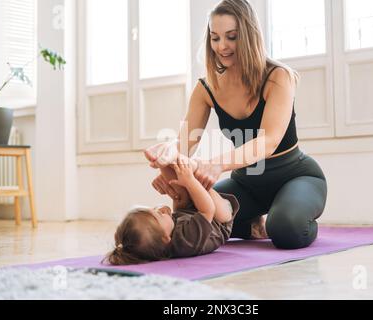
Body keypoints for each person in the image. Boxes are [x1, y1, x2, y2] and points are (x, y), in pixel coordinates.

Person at [146, 0, 327, 250]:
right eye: (215, 38)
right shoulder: (206, 88)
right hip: (247, 184)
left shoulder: (278, 77)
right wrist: (167, 156)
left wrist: (217, 163)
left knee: (286, 230)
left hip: (294, 176)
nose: (222, 47)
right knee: (190, 210)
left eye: (231, 37)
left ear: (249, 35)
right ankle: (252, 225)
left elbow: (268, 141)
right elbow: (185, 143)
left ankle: (291, 216)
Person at [103, 154, 240, 265]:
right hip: (218, 222)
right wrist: (191, 181)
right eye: (158, 214)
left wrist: (176, 197)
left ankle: (164, 159)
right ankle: (191, 169)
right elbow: (208, 210)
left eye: (154, 209)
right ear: (166, 238)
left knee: (175, 182)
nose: (160, 210)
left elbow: (180, 214)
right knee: (217, 207)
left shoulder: (163, 236)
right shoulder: (187, 242)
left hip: (193, 215)